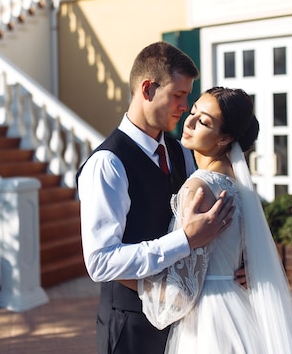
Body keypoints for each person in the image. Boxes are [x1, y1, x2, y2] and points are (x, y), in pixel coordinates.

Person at [77, 42, 239, 354]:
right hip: (130, 328)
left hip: (183, 323)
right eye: (179, 95)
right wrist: (185, 240)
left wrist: (238, 264)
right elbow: (100, 262)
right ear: (148, 89)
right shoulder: (107, 164)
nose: (185, 106)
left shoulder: (180, 152)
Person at [132, 87, 292, 354]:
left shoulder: (198, 188)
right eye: (192, 112)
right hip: (239, 307)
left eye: (204, 121)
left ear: (225, 137)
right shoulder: (240, 187)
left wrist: (124, 277)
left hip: (208, 319)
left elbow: (181, 288)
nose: (189, 122)